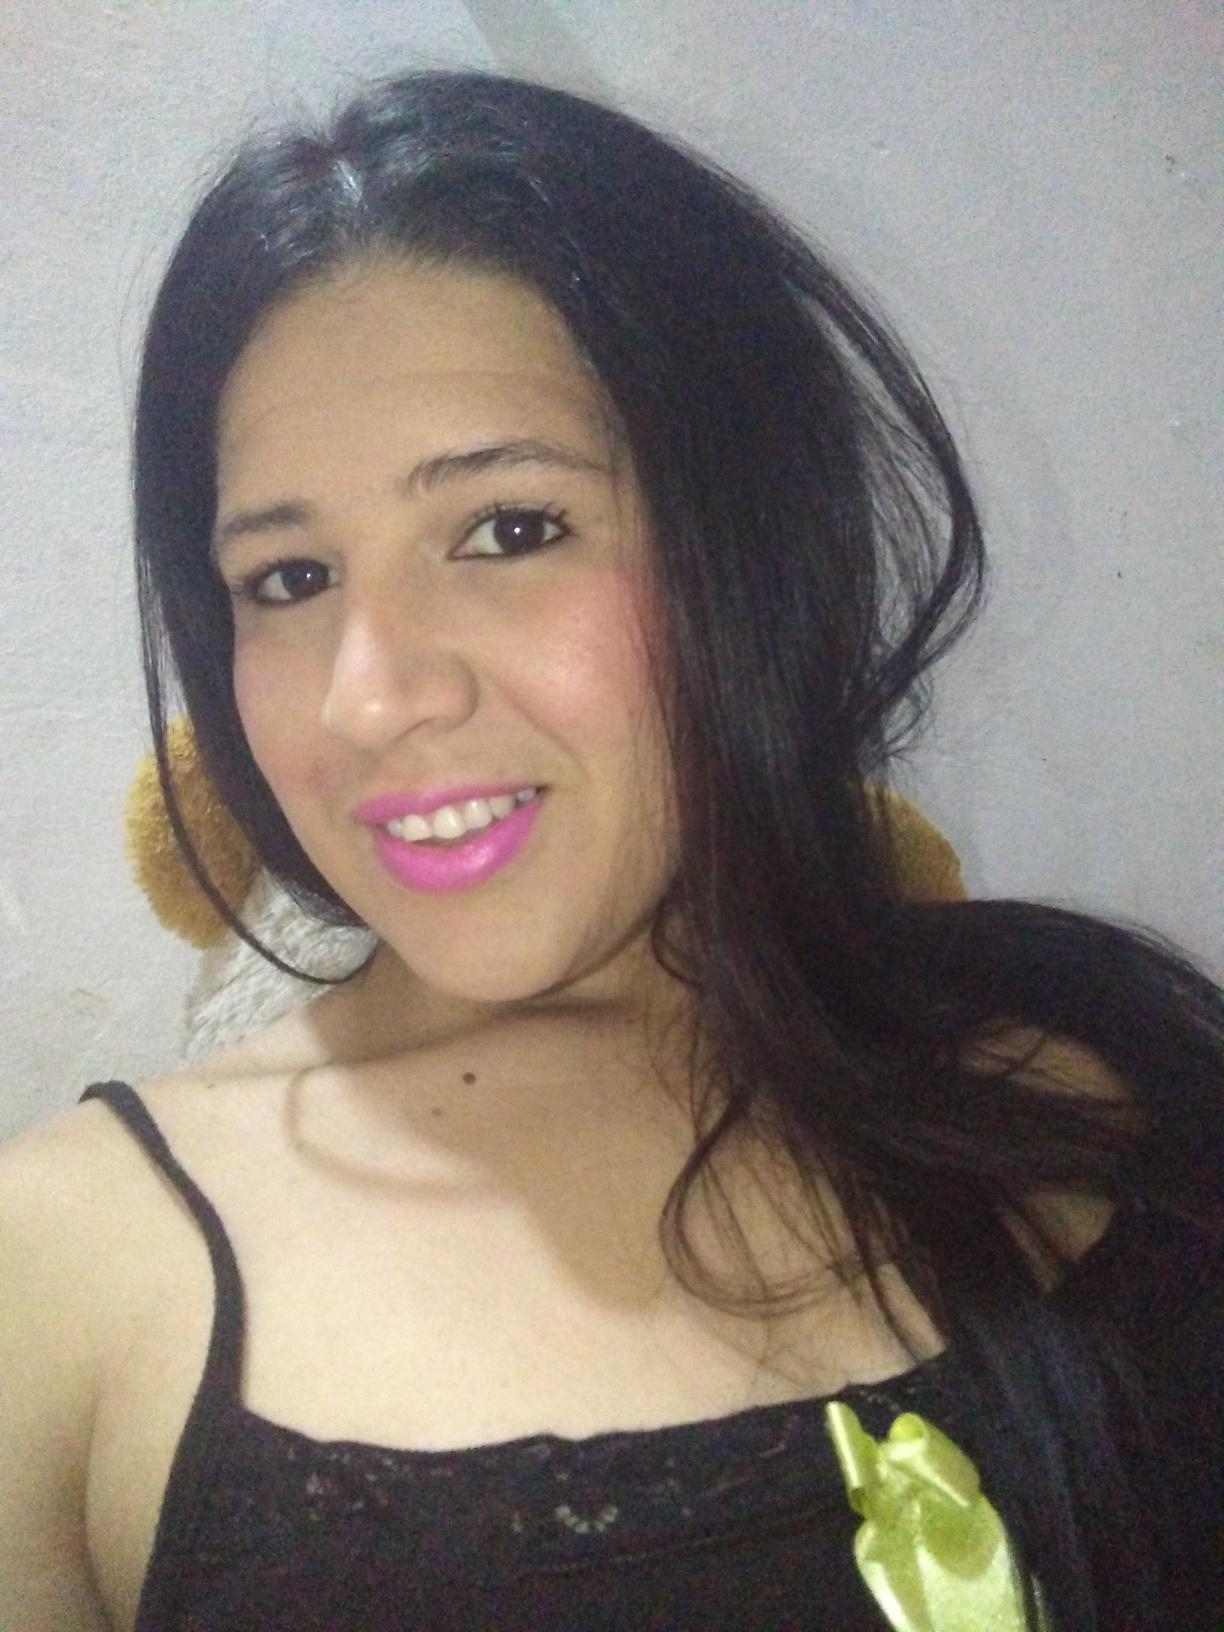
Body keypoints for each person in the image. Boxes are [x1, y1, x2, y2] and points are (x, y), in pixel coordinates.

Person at [1, 68, 1219, 1632]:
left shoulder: (1095, 1064)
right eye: (289, 578)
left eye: (509, 529)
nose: (370, 698)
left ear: (745, 545)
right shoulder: (67, 1275)